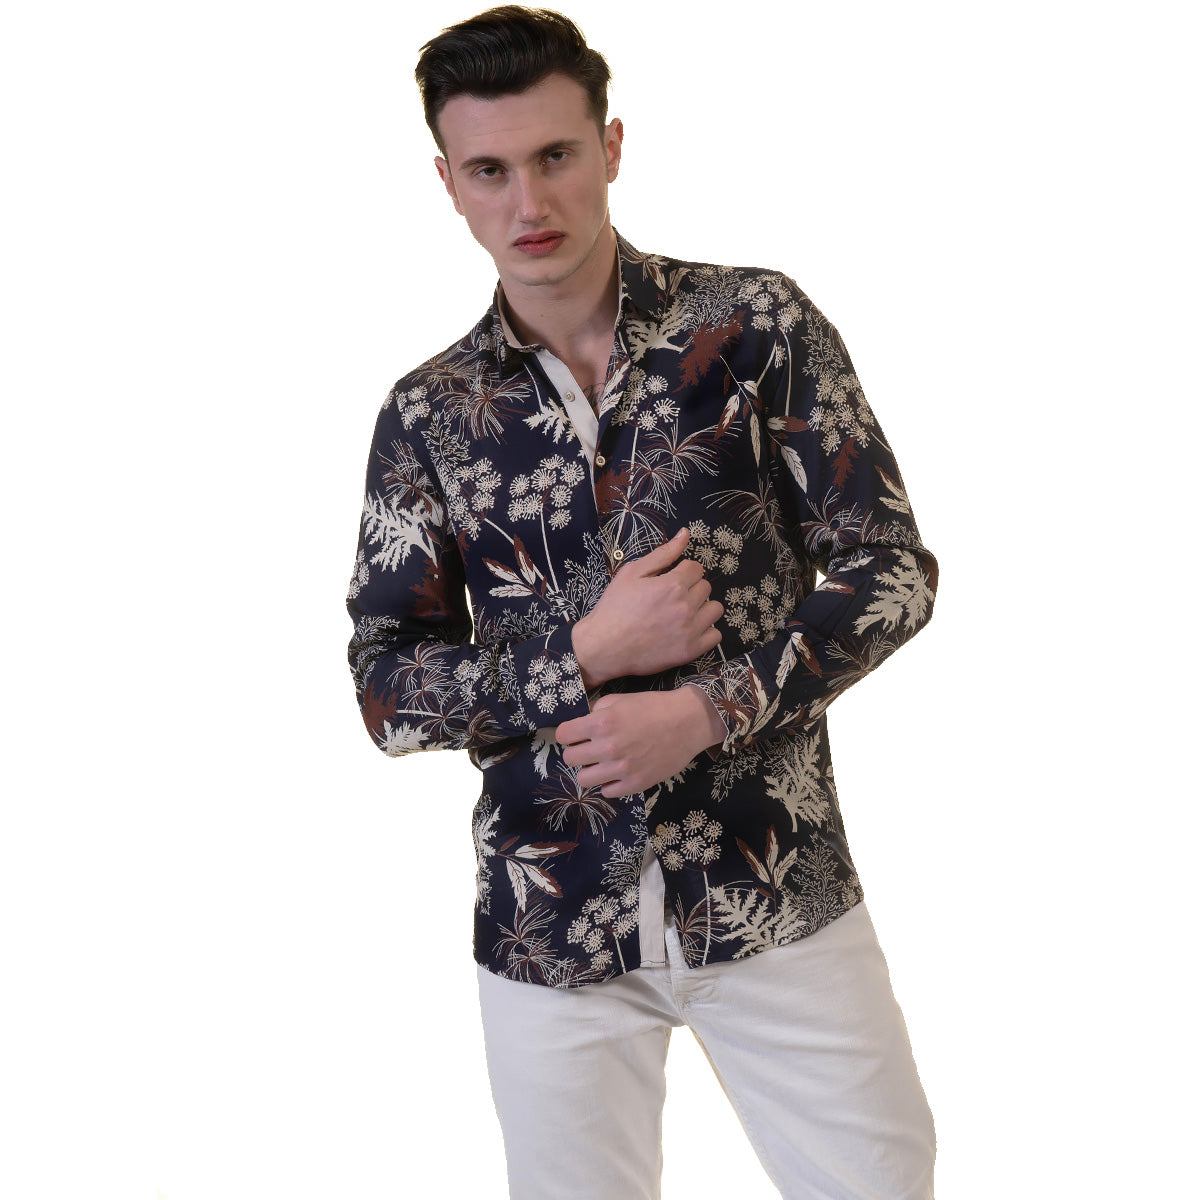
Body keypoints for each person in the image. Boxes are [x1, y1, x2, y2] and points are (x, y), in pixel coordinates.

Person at [346, 7, 939, 1197]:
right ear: (448, 185)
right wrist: (583, 652)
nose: (530, 201)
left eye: (555, 155)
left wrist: (710, 709)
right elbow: (387, 689)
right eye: (490, 170)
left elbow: (890, 569)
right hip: (548, 920)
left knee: (880, 1181)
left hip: (774, 883)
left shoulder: (755, 326)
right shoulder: (427, 416)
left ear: (610, 147)